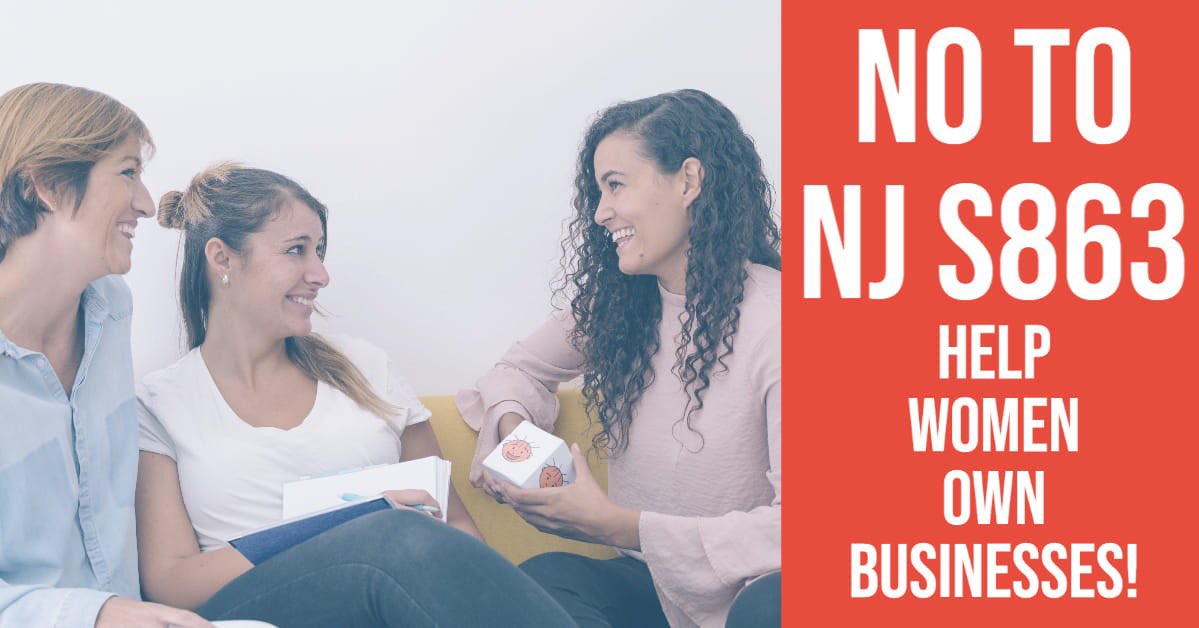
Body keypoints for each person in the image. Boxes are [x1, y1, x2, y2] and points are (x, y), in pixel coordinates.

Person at [135, 163, 576, 627]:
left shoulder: (366, 367)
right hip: (258, 612)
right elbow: (170, 583)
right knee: (394, 534)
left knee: (551, 571)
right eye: (296, 250)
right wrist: (351, 520)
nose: (320, 274)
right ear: (222, 259)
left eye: (319, 251)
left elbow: (454, 528)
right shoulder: (162, 402)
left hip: (386, 604)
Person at [457, 89, 782, 628]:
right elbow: (514, 370)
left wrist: (617, 525)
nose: (600, 212)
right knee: (547, 579)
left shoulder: (781, 320)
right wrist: (520, 441)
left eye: (615, 185)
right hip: (655, 583)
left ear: (688, 182)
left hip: (754, 592)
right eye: (598, 191)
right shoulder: (621, 306)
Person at [0, 83, 211, 627]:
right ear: (47, 184)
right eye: (127, 172)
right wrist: (95, 615)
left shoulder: (110, 309)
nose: (147, 204)